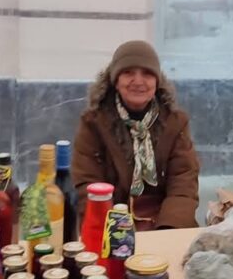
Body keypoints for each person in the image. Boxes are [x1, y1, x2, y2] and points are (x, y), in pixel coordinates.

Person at [72, 41, 199, 230]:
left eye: (147, 73)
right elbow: (87, 184)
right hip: (110, 225)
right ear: (115, 81)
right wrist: (115, 232)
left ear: (157, 81)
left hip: (163, 224)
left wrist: (167, 230)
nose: (138, 81)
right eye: (128, 72)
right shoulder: (94, 124)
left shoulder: (176, 123)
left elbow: (183, 183)